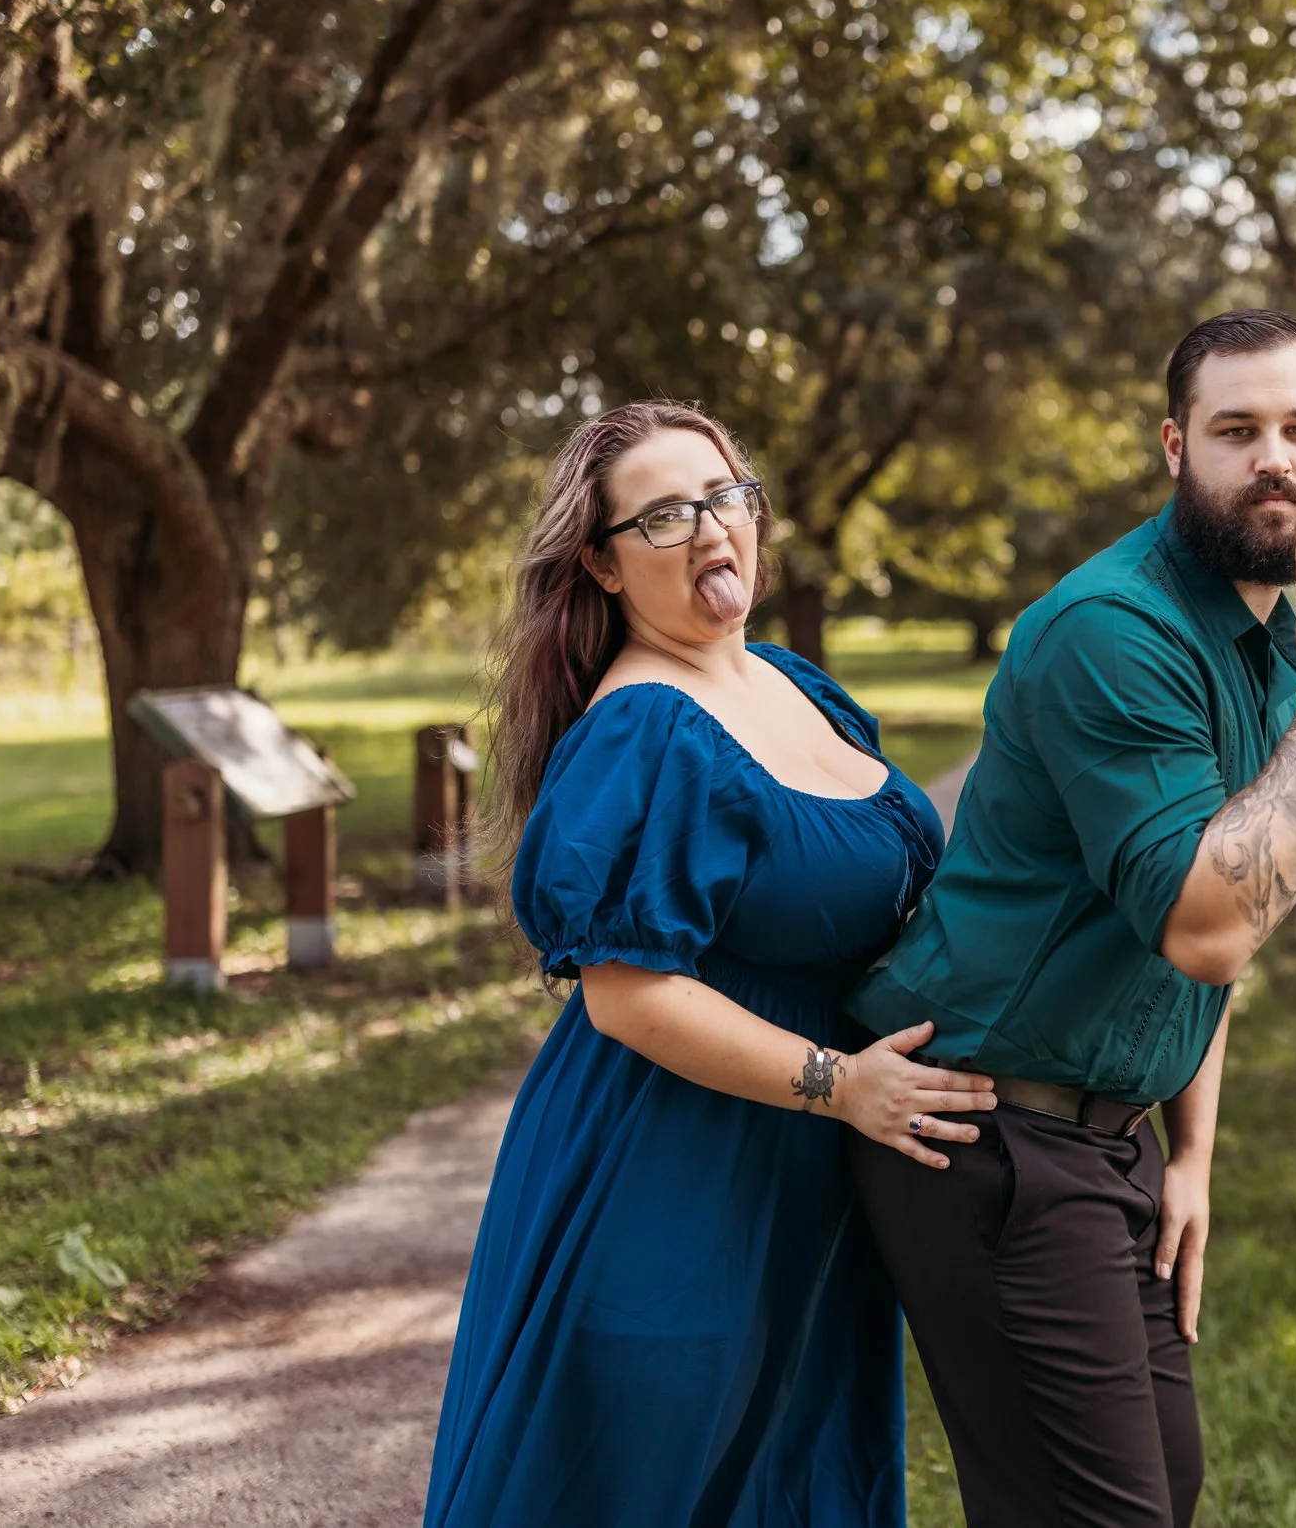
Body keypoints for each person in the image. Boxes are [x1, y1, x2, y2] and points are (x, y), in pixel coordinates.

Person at [846, 309, 1296, 1528]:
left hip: (1106, 1141)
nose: (1275, 459)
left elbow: (1216, 946)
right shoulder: (1116, 632)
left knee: (1164, 1488)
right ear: (1173, 445)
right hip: (983, 1132)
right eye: (1235, 430)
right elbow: (1209, 923)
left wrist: (1190, 1155)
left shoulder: (1272, 639)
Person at [423, 399, 997, 1528]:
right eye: (665, 516)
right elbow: (628, 997)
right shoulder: (643, 726)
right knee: (644, 1473)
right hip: (672, 1167)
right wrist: (842, 1084)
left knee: (790, 1470)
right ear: (600, 564)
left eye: (726, 497)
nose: (710, 531)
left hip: (811, 1170)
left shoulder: (795, 685)